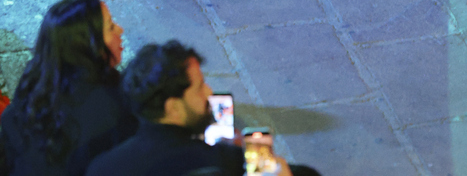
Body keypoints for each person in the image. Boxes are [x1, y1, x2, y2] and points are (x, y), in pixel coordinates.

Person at [87, 41, 320, 176]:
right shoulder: (216, 162)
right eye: (199, 88)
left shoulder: (101, 167)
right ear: (173, 108)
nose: (209, 93)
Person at [0, 0, 136, 176]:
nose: (120, 29)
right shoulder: (111, 103)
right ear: (88, 45)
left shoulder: (36, 78)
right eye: (110, 27)